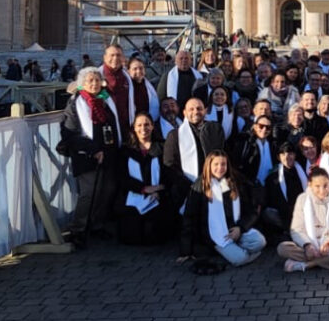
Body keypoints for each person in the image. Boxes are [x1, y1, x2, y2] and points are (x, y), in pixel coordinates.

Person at [59, 67, 122, 246]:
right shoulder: (75, 103)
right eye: (90, 81)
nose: (94, 84)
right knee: (88, 193)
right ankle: (78, 228)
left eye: (97, 80)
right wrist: (94, 149)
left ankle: (97, 224)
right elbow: (70, 132)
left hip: (108, 152)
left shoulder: (105, 99)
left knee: (106, 190)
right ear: (82, 84)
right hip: (86, 154)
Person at [180, 151, 266, 267]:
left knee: (260, 242)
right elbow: (189, 217)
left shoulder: (235, 182)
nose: (220, 168)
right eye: (216, 164)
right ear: (209, 165)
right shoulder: (200, 186)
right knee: (240, 259)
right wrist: (186, 250)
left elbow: (251, 210)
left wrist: (240, 228)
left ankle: (233, 251)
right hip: (216, 236)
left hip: (235, 230)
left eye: (223, 164)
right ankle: (234, 253)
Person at [279, 167, 329, 272]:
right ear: (310, 185)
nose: (322, 190)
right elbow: (297, 229)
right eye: (317, 186)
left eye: (325, 185)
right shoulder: (302, 199)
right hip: (310, 245)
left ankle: (308, 264)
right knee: (283, 248)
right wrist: (307, 246)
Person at [162, 98, 227, 212]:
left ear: (205, 111)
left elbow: (222, 156)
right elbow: (169, 164)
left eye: (199, 108)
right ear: (184, 113)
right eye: (191, 109)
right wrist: (193, 187)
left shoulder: (215, 130)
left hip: (214, 186)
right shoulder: (174, 135)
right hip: (185, 190)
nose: (195, 112)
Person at [116, 113, 170, 245]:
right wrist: (143, 189)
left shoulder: (162, 147)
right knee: (133, 236)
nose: (143, 128)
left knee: (155, 234)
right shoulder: (126, 150)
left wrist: (160, 189)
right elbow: (121, 176)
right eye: (139, 125)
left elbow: (169, 172)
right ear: (134, 128)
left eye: (147, 124)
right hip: (134, 194)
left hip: (158, 195)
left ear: (152, 127)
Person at [262, 142, 309, 240]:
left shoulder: (303, 171)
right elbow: (275, 202)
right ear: (279, 157)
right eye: (283, 154)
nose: (287, 157)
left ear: (295, 155)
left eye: (290, 154)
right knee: (268, 213)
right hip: (284, 214)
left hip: (302, 210)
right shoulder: (273, 177)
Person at [232, 115, 278, 193]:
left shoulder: (273, 145)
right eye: (261, 126)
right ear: (255, 126)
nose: (264, 129)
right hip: (249, 188)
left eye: (268, 127)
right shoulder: (245, 142)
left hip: (268, 187)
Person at [101, 45, 133, 138]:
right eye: (112, 55)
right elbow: (80, 86)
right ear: (105, 57)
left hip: (125, 125)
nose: (115, 58)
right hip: (106, 125)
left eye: (118, 55)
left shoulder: (126, 76)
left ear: (123, 58)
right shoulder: (97, 75)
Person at [128, 58, 160, 124]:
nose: (138, 71)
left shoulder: (149, 86)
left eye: (141, 68)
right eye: (135, 69)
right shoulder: (125, 86)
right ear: (129, 71)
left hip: (147, 122)